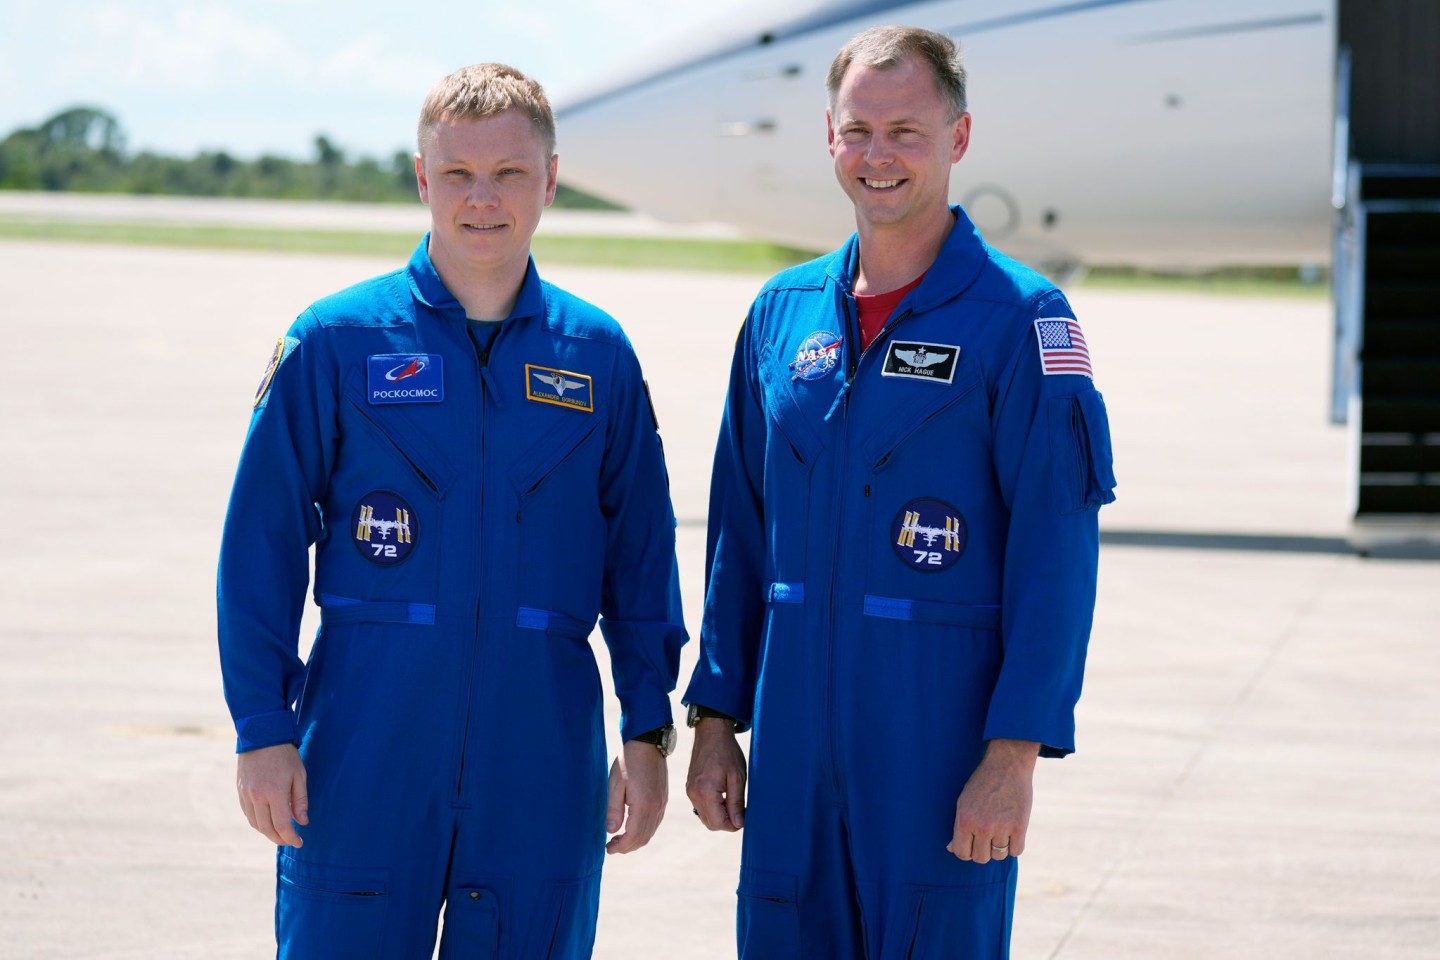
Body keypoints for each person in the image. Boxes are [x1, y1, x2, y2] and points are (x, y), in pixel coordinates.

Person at [217, 63, 686, 959]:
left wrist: (645, 725)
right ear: (423, 178)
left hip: (540, 754)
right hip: (364, 744)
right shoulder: (334, 342)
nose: (483, 199)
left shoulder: (599, 358)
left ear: (550, 181)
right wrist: (263, 729)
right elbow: (260, 547)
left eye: (510, 173)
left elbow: (641, 560)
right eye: (459, 174)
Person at [683, 26, 1116, 958]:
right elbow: (739, 534)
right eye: (859, 130)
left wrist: (1014, 756)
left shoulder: (1023, 320)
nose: (879, 155)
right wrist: (717, 717)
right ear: (829, 137)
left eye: (906, 131)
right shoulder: (780, 314)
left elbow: (1057, 554)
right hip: (794, 747)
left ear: (957, 139)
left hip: (939, 745)